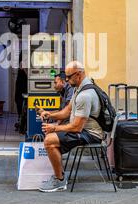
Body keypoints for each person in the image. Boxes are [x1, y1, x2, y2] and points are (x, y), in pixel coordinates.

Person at [37, 61, 103, 192]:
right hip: (82, 129)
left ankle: (60, 180)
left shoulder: (85, 95)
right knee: (51, 137)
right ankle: (60, 174)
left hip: (90, 134)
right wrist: (49, 114)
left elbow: (76, 128)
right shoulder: (79, 89)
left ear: (78, 74)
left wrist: (54, 128)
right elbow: (67, 111)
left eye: (68, 77)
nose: (66, 80)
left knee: (50, 141)